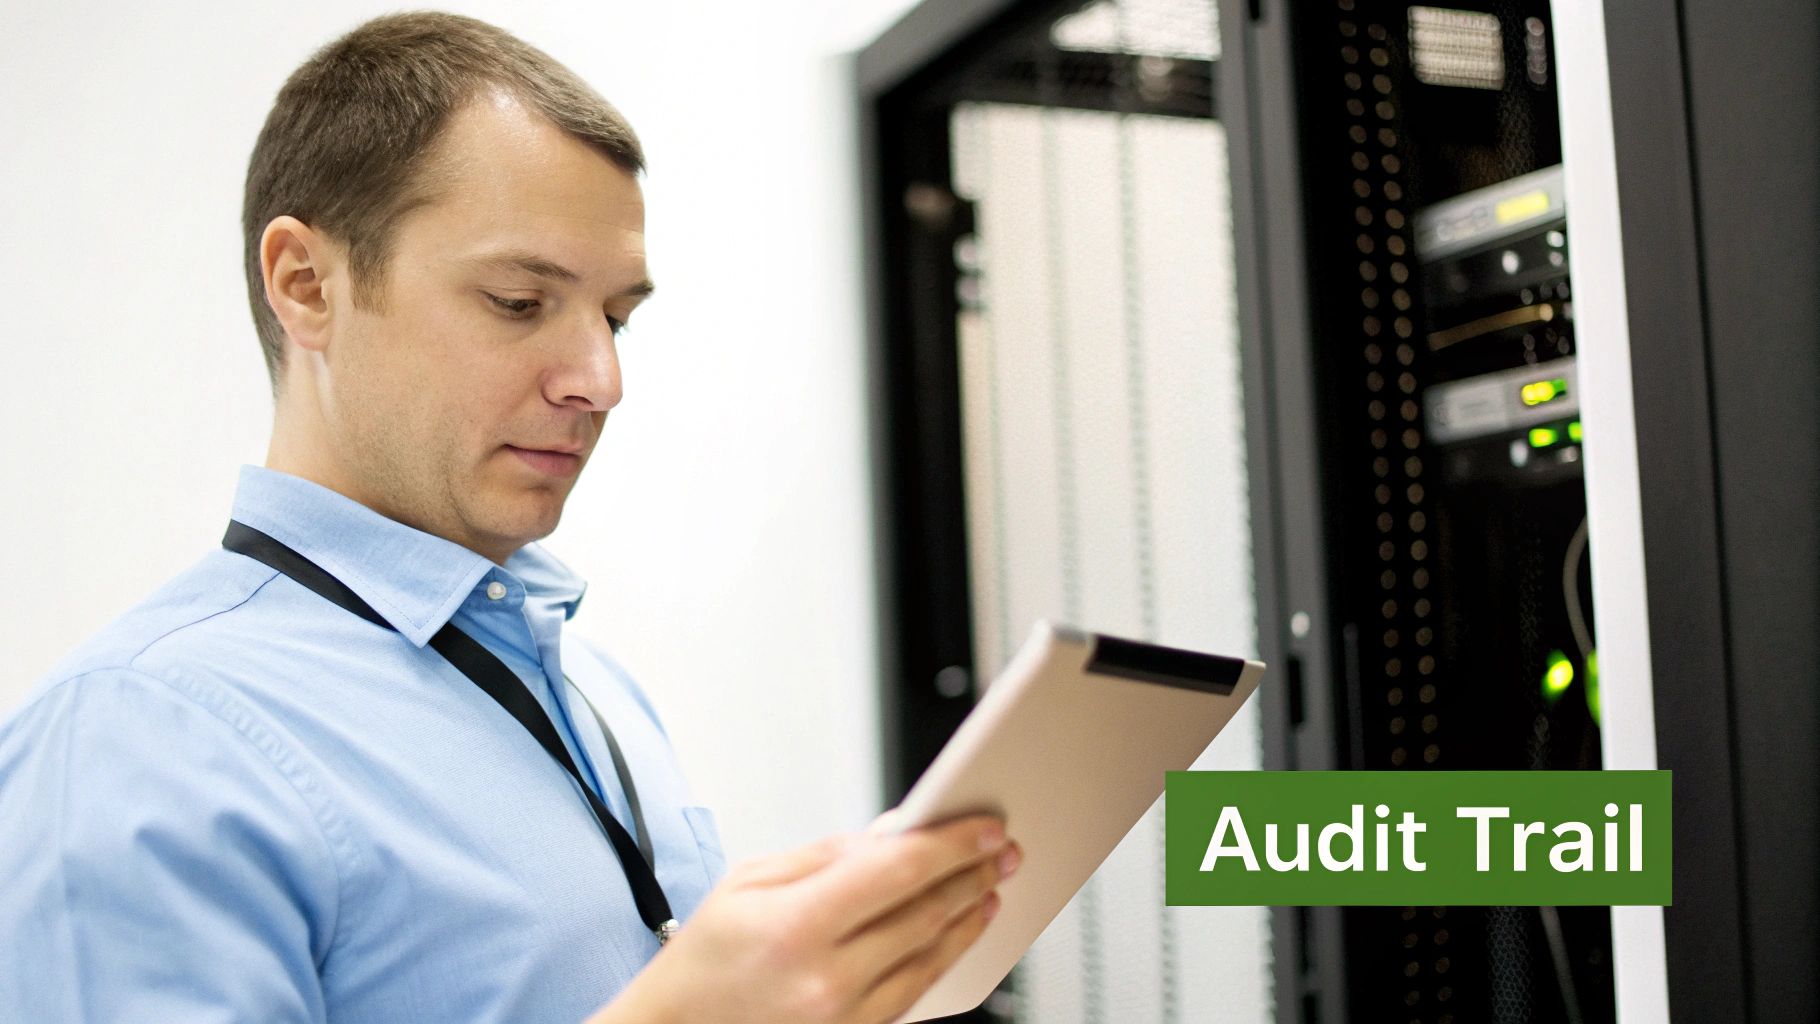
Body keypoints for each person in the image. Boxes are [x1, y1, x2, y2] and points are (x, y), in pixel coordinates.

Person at [0, 12, 1018, 1023]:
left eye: (616, 317)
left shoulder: (593, 692)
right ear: (305, 286)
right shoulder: (135, 738)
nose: (601, 379)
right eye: (520, 302)